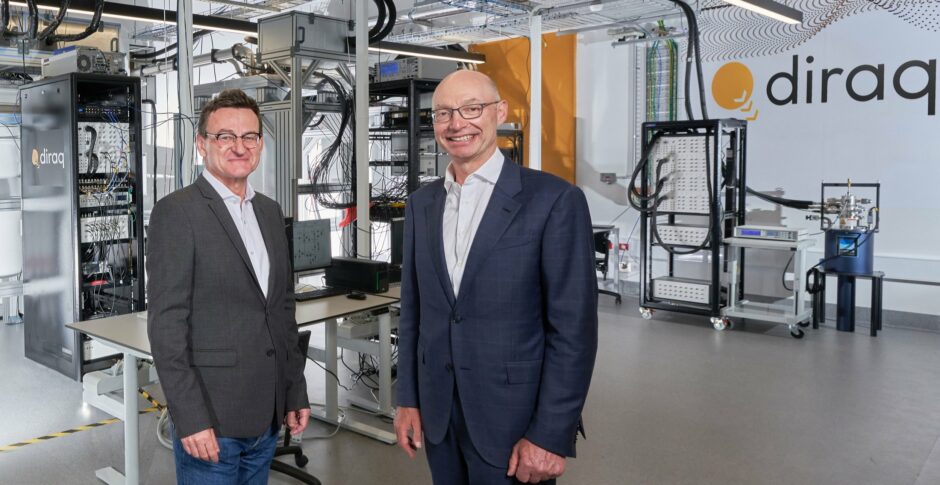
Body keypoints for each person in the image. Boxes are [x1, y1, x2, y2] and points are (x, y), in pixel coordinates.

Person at [394, 70, 599, 484]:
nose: (457, 123)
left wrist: (550, 434)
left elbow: (573, 331)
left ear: (500, 112)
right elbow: (414, 311)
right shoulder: (421, 204)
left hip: (514, 422)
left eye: (472, 109)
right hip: (439, 417)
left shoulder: (554, 200)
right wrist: (408, 399)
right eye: (443, 113)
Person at [147, 89, 310, 484]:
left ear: (261, 144)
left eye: (249, 136)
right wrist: (190, 417)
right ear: (202, 144)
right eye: (225, 136)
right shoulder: (177, 212)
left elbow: (282, 311)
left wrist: (294, 390)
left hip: (266, 414)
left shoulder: (269, 211)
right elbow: (166, 327)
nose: (240, 147)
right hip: (212, 418)